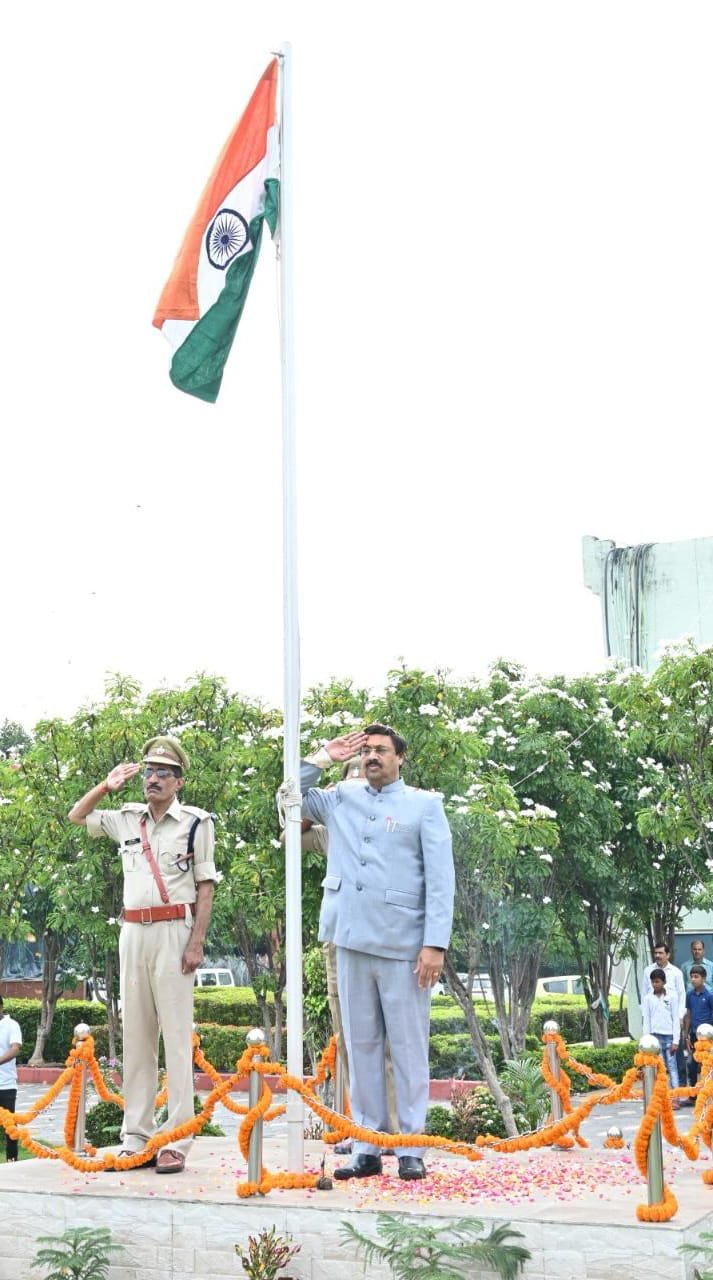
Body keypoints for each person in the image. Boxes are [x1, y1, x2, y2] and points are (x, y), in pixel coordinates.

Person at [301, 724, 455, 1182]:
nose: (372, 757)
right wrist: (323, 756)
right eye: (366, 750)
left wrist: (435, 944)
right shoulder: (341, 797)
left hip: (404, 946)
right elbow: (289, 795)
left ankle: (410, 1146)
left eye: (381, 750)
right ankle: (367, 1145)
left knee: (408, 1047)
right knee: (361, 1045)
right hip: (350, 938)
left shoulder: (424, 806)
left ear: (400, 757)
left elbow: (441, 880)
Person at [68, 735, 217, 1174]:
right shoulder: (127, 819)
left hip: (175, 928)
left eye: (163, 773)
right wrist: (106, 786)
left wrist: (197, 942)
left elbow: (205, 886)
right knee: (135, 1037)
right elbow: (77, 815)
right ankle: (136, 1135)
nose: (153, 779)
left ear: (178, 781)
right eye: (149, 771)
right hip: (133, 929)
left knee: (175, 1037)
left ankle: (176, 1138)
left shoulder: (195, 822)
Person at [297, 754, 398, 1154]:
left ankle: (388, 1130)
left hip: (387, 938)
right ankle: (359, 1129)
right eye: (348, 783)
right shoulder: (331, 828)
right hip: (342, 939)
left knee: (389, 1038)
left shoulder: (396, 819)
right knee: (351, 1037)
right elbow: (291, 832)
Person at [642, 942, 686, 1084]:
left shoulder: (676, 972)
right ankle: (660, 1095)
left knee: (675, 1063)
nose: (658, 956)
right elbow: (644, 996)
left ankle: (679, 1092)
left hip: (672, 1025)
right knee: (658, 1065)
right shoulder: (648, 971)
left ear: (668, 955)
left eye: (661, 953)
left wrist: (679, 1018)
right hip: (655, 1027)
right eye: (656, 953)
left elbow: (681, 996)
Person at [641, 968, 680, 1103]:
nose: (654, 984)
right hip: (655, 1038)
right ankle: (662, 1097)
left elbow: (675, 1018)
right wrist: (647, 1040)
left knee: (672, 1068)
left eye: (657, 981)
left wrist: (676, 1040)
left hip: (669, 1036)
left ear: (664, 982)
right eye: (652, 982)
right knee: (659, 1068)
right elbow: (646, 1019)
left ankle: (675, 1098)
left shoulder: (672, 997)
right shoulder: (648, 998)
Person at [683, 965, 713, 1099]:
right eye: (692, 977)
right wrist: (686, 1034)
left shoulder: (710, 995)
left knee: (708, 1064)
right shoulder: (689, 995)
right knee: (691, 1063)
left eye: (696, 977)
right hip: (694, 1035)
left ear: (704, 978)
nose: (693, 979)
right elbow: (688, 1015)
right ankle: (694, 1095)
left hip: (708, 1037)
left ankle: (708, 1093)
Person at [0, 996, 22, 1161]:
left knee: (10, 1126)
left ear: (1, 1007)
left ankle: (12, 1160)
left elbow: (15, 1049)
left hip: (6, 1085)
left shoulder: (11, 1025)